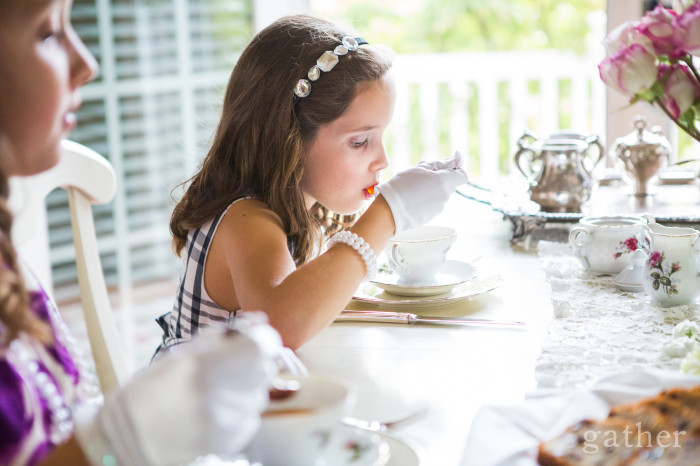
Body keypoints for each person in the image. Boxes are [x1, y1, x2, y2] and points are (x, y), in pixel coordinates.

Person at [0, 1, 290, 464]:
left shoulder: (8, 260)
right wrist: (118, 439)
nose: (87, 63)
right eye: (48, 33)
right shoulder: (249, 219)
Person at [158, 14, 468, 353]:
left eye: (381, 136)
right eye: (359, 142)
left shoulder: (300, 211)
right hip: (197, 402)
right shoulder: (244, 220)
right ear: (288, 138)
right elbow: (280, 328)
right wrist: (390, 211)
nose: (383, 160)